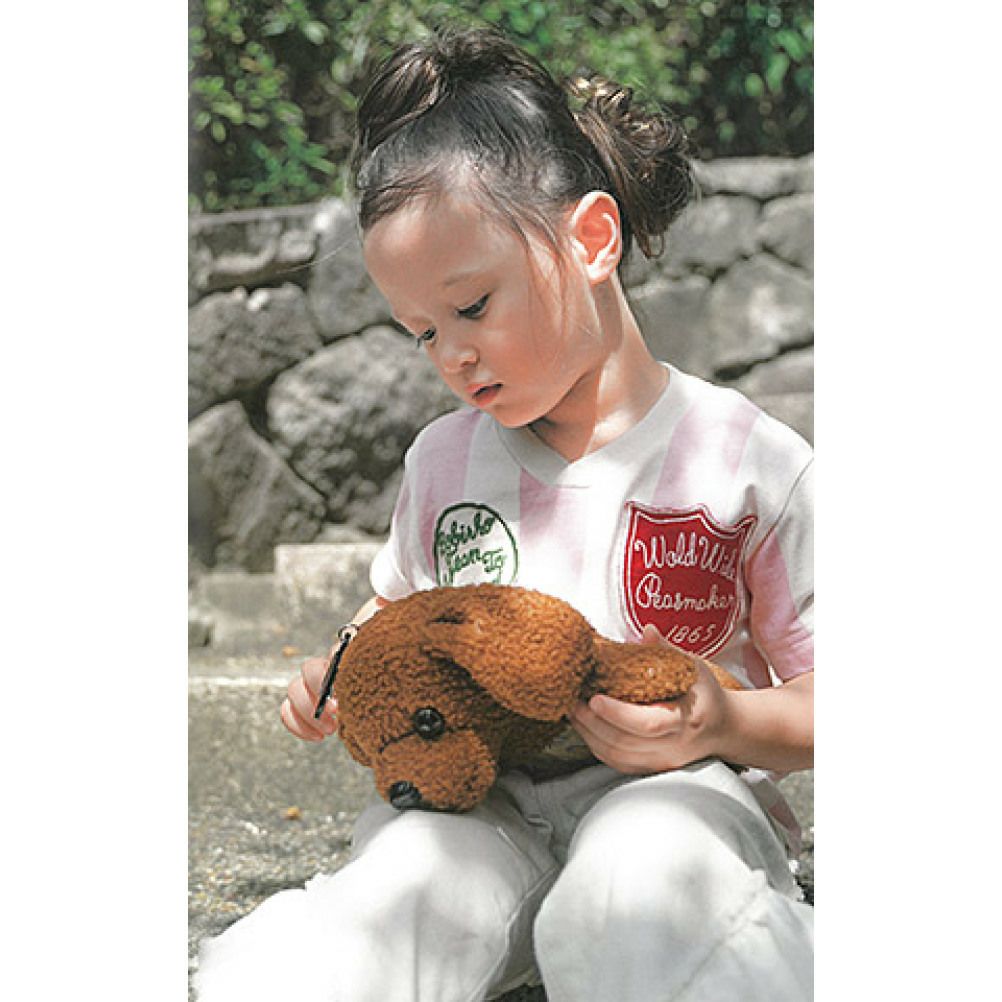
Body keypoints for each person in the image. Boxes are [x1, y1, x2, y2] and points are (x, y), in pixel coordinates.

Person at [196, 25, 814, 1002]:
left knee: (641, 881)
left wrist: (725, 718)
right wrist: (342, 671)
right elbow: (397, 616)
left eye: (474, 306)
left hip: (678, 802)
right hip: (475, 804)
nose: (452, 354)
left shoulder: (746, 461)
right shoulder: (444, 461)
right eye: (422, 332)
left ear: (591, 241)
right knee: (401, 887)